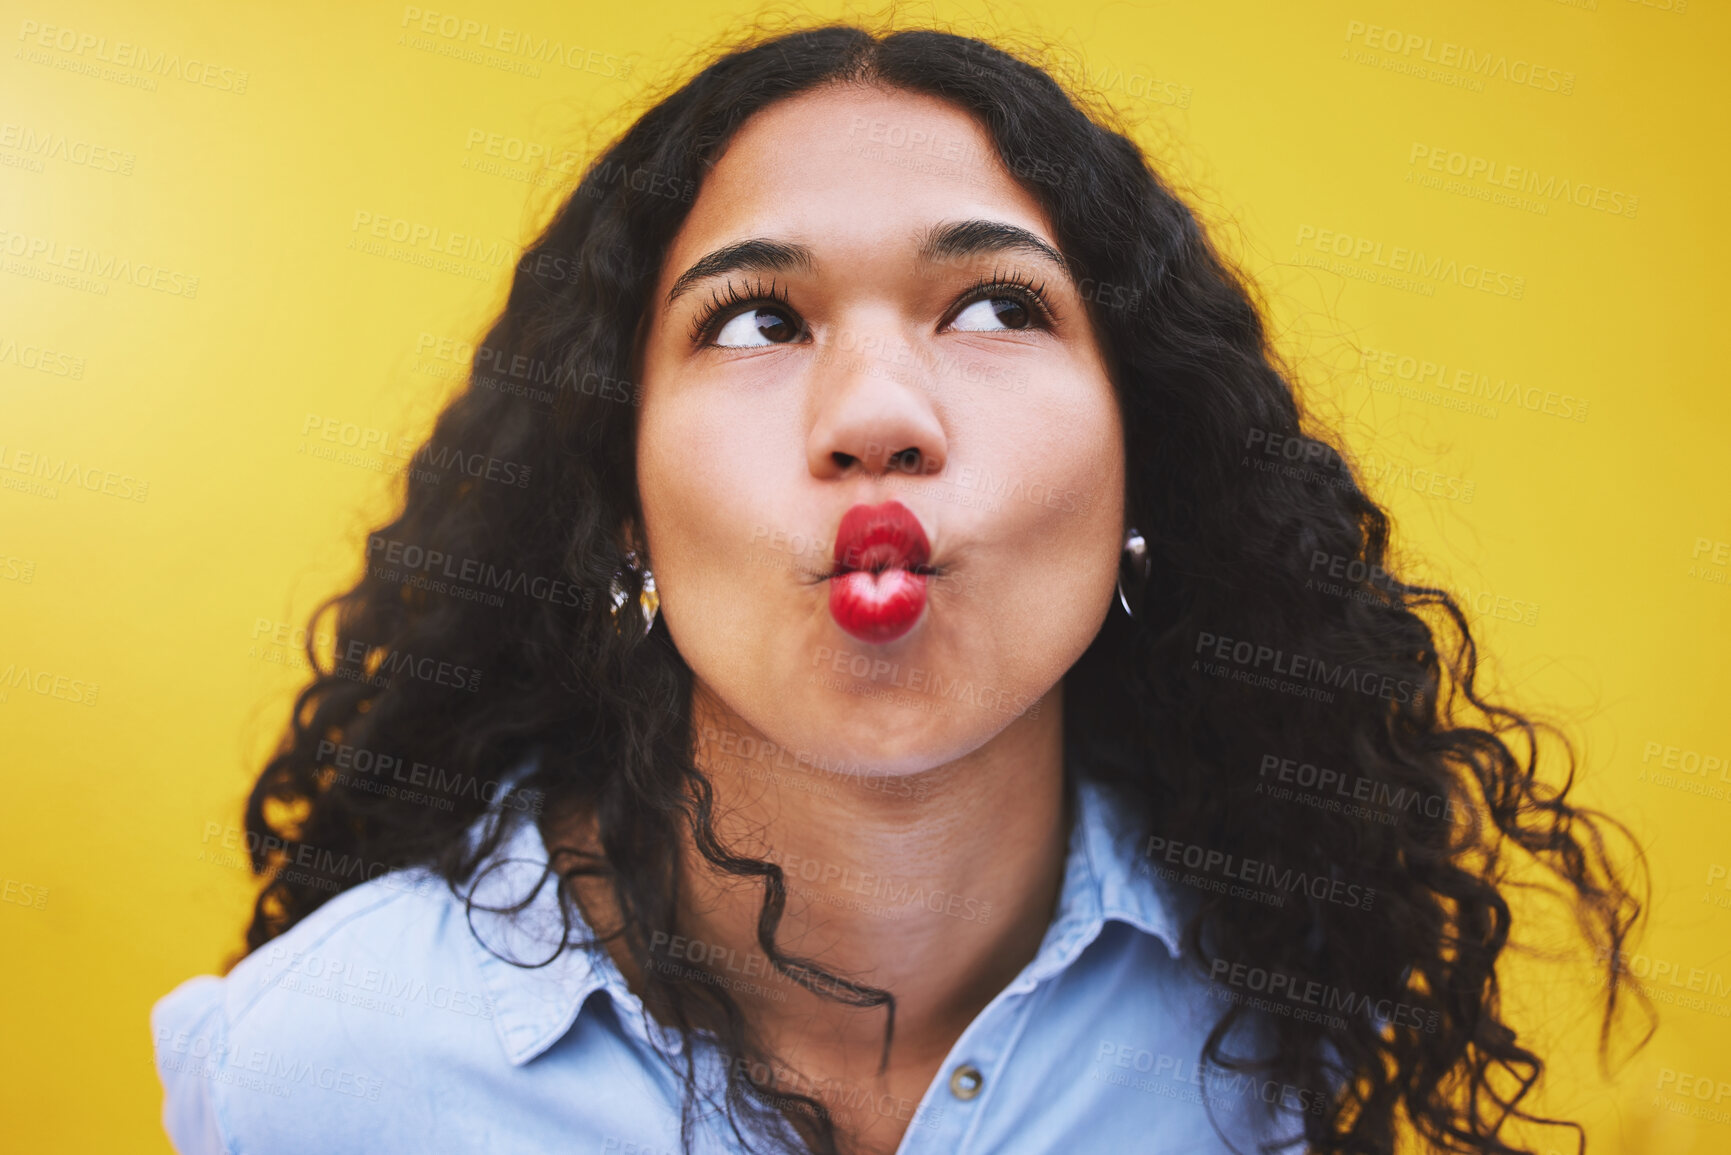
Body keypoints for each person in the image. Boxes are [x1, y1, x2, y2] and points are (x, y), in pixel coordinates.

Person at [151, 24, 1645, 1155]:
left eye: (998, 305)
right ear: (621, 509)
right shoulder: (322, 1070)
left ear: (1149, 474)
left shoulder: (1297, 1023)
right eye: (754, 323)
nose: (879, 412)